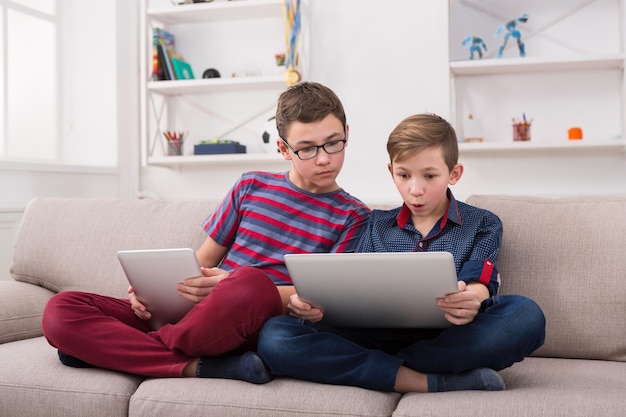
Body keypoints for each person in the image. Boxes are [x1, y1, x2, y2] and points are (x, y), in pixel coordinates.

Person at [41, 82, 370, 384]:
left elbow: (320, 296)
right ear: (284, 149)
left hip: (253, 316)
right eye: (308, 149)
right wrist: (149, 294)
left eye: (333, 143)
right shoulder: (250, 186)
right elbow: (200, 263)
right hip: (198, 315)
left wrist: (232, 284)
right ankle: (199, 365)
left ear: (347, 133)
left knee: (251, 283)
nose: (325, 159)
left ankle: (110, 350)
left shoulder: (356, 216)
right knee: (62, 309)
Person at [257, 113, 546, 393]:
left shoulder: (483, 222)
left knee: (526, 315)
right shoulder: (375, 224)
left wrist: (472, 300)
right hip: (373, 335)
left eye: (430, 176)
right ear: (391, 171)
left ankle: (385, 370)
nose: (415, 189)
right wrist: (312, 309)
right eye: (404, 175)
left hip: (450, 336)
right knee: (276, 336)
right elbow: (353, 287)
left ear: (454, 173)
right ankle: (421, 378)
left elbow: (480, 281)